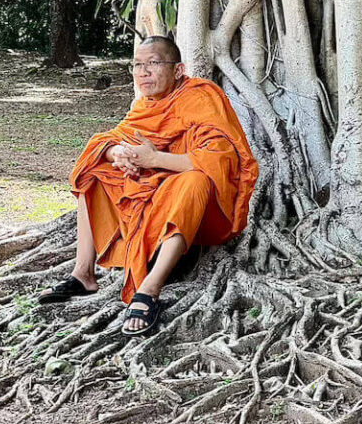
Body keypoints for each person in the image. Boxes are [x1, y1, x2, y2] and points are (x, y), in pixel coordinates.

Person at [39, 36, 258, 336]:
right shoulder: (147, 105)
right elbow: (109, 140)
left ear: (178, 70)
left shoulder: (201, 98)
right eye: (137, 65)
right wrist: (120, 155)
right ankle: (84, 274)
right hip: (154, 194)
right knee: (96, 169)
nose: (143, 73)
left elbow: (217, 161)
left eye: (153, 64)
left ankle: (150, 288)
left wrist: (154, 158)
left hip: (199, 210)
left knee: (194, 181)